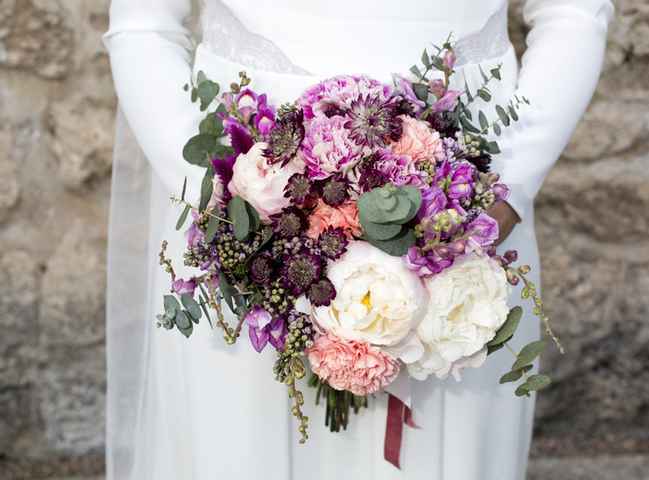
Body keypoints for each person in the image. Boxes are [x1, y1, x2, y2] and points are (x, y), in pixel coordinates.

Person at [104, 1, 614, 478]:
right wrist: (225, 203)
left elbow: (573, 11)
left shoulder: (486, 202)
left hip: (468, 194)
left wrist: (509, 190)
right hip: (247, 193)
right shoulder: (234, 207)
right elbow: (143, 25)